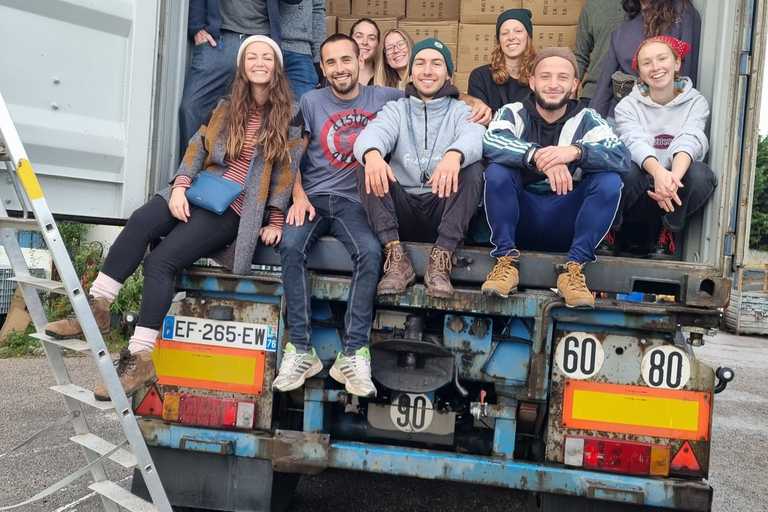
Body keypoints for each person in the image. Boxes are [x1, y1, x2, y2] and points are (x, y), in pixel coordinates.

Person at [46, 37, 303, 400]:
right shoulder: (226, 107)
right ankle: (98, 307)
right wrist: (180, 186)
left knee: (161, 261)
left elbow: (284, 174)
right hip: (198, 189)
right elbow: (197, 147)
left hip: (233, 209)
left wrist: (275, 219)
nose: (259, 62)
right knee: (141, 220)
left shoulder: (290, 115)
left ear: (276, 67)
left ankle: (140, 357)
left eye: (267, 57)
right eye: (252, 57)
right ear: (243, 66)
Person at [272, 34, 403, 398]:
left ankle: (354, 353)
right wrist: (297, 196)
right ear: (323, 67)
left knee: (370, 252)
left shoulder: (384, 97)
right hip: (312, 198)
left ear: (361, 59)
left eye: (346, 60)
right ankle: (300, 348)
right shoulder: (311, 101)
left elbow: (431, 96)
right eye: (331, 62)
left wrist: (472, 103)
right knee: (291, 245)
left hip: (353, 203)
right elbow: (290, 152)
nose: (339, 68)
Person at [481, 48, 629, 308]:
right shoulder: (513, 112)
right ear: (532, 81)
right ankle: (505, 262)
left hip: (567, 221)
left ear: (574, 85)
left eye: (562, 77)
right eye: (545, 76)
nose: (552, 84)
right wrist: (537, 156)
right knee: (497, 172)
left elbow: (619, 155)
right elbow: (491, 142)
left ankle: (573, 269)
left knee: (609, 180)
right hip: (521, 218)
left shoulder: (587, 119)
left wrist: (574, 152)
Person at [354, 38, 486, 299]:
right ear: (411, 72)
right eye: (421, 63)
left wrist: (453, 155)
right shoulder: (396, 110)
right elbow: (372, 135)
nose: (427, 71)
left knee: (473, 169)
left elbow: (476, 136)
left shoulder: (461, 110)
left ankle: (441, 261)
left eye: (436, 64)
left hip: (442, 207)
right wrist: (372, 155)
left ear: (448, 73)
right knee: (366, 165)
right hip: (402, 211)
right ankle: (396, 258)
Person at [614, 36, 716, 257]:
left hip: (672, 191)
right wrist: (658, 173)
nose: (656, 67)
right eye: (647, 63)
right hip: (639, 185)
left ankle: (667, 232)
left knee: (701, 175)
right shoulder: (627, 105)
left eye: (662, 59)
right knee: (622, 171)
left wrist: (671, 180)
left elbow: (690, 138)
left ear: (677, 63)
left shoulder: (696, 102)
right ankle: (611, 229)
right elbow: (634, 142)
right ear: (639, 72)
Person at [180, 0, 324, 154]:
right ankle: (189, 173)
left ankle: (244, 173)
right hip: (220, 36)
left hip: (262, 38)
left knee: (266, 115)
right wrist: (196, 27)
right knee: (191, 107)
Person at [590, 0, 700, 118]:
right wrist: (590, 123)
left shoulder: (682, 12)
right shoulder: (626, 23)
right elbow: (604, 85)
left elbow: (688, 72)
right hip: (624, 114)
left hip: (665, 114)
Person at [467, 9, 537, 114]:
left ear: (528, 37)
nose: (511, 37)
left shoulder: (540, 76)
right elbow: (480, 121)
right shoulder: (480, 76)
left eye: (518, 31)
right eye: (504, 33)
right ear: (499, 41)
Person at [573, 0, 627, 103]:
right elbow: (580, 55)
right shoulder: (592, 6)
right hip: (594, 92)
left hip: (635, 94)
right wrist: (570, 93)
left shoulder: (649, 6)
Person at [350, 18, 381, 86]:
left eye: (371, 38)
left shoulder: (387, 78)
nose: (364, 42)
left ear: (378, 44)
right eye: (359, 36)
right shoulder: (338, 75)